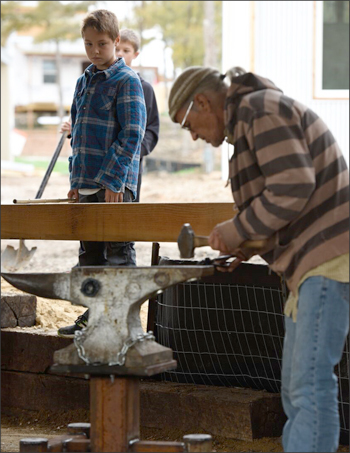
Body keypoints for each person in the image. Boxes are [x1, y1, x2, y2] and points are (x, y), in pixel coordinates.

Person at [168, 66, 349, 452]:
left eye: (189, 125)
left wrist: (238, 228)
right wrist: (245, 245)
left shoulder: (258, 109)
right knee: (297, 386)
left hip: (328, 259)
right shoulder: (251, 121)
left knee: (309, 383)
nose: (195, 136)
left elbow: (294, 185)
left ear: (202, 102)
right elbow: (285, 205)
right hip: (310, 266)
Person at [57, 10, 146, 337]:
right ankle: (93, 318)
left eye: (103, 44)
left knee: (117, 254)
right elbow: (79, 133)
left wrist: (113, 180)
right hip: (87, 185)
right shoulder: (83, 81)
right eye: (88, 44)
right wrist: (76, 182)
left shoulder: (127, 81)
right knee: (90, 255)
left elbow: (132, 133)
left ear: (117, 42)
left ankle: (122, 322)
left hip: (115, 186)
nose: (95, 50)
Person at [116, 28, 159, 201]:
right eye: (117, 49)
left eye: (126, 51)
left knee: (126, 216)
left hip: (131, 169)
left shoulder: (145, 88)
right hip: (99, 167)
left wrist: (135, 151)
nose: (120, 54)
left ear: (135, 54)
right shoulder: (100, 85)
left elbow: (152, 128)